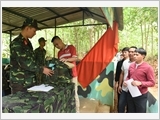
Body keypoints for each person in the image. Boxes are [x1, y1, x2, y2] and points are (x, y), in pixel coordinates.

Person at [9, 17, 54, 94]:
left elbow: (32, 60)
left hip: (29, 81)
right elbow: (24, 62)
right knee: (19, 105)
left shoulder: (28, 43)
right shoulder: (16, 43)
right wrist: (42, 69)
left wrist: (42, 67)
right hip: (20, 83)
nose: (35, 33)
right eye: (34, 31)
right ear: (27, 28)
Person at [51, 36, 80, 113]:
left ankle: (77, 112)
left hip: (72, 75)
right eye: (55, 46)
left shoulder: (71, 48)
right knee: (65, 95)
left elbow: (75, 58)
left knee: (74, 94)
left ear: (61, 40)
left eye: (57, 44)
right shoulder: (59, 53)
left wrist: (66, 60)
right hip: (63, 77)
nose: (57, 46)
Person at [124, 48, 155, 113]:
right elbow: (128, 77)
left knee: (140, 113)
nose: (134, 56)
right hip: (130, 93)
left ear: (143, 56)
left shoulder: (148, 68)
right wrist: (126, 81)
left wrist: (140, 83)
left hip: (141, 95)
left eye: (137, 55)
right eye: (134, 54)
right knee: (130, 111)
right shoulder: (131, 65)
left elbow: (152, 82)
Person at [118, 46, 137, 113]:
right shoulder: (125, 62)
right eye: (129, 52)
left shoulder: (138, 63)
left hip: (134, 90)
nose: (130, 53)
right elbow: (122, 74)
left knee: (131, 108)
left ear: (136, 53)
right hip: (124, 88)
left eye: (132, 52)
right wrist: (119, 85)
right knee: (121, 105)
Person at [114, 47, 129, 112]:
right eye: (123, 52)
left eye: (125, 52)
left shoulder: (133, 63)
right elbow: (118, 73)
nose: (124, 53)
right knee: (120, 101)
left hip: (130, 85)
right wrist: (116, 83)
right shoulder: (120, 62)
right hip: (121, 84)